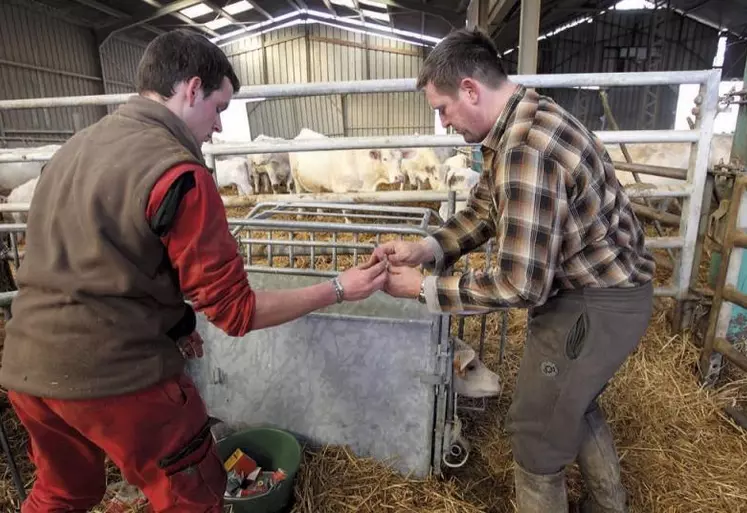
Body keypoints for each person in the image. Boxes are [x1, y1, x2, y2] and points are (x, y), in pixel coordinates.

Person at [0, 29, 387, 513]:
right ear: (191, 89)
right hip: (116, 377)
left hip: (27, 371)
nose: (219, 128)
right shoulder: (179, 173)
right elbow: (237, 312)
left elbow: (105, 259)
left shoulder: (73, 150)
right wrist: (336, 287)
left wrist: (179, 323)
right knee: (194, 498)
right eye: (219, 108)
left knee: (61, 493)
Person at [375, 28, 655, 513]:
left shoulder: (525, 148)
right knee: (572, 402)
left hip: (596, 300)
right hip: (604, 290)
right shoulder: (519, 125)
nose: (443, 124)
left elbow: (519, 284)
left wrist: (424, 288)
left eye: (442, 108)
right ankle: (611, 506)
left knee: (534, 428)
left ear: (469, 89)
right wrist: (424, 249)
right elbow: (486, 212)